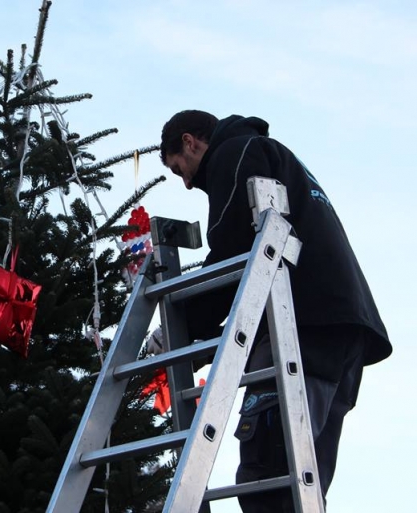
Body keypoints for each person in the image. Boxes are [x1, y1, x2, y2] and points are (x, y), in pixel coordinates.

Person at [159, 110, 392, 512]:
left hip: (302, 324)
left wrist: (179, 323)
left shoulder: (234, 153)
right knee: (305, 480)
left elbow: (235, 255)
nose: (188, 183)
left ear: (189, 141)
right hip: (345, 329)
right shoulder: (274, 154)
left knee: (266, 476)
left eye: (181, 169)